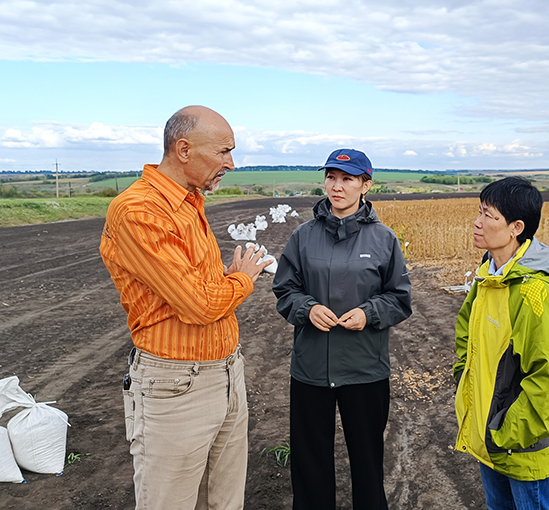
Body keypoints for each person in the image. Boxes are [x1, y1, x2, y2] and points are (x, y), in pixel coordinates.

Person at [99, 105, 272, 510]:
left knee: (226, 501)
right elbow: (199, 304)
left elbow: (196, 286)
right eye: (224, 151)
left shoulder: (190, 203)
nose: (231, 163)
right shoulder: (140, 210)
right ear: (183, 149)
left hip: (227, 372)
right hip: (177, 386)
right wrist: (242, 279)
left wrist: (224, 278)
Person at [272, 148, 412, 510]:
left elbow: (399, 298)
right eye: (331, 177)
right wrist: (307, 307)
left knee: (367, 463)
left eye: (347, 179)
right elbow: (285, 289)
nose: (337, 186)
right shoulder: (303, 237)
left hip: (364, 369)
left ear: (366, 185)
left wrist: (369, 313)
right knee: (310, 463)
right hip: (311, 369)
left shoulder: (384, 240)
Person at [453, 176, 549, 510]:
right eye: (479, 212)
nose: (477, 223)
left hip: (521, 447)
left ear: (515, 227)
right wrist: (466, 386)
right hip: (492, 437)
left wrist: (504, 432)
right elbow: (467, 337)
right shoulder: (489, 276)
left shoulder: (534, 293)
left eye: (488, 216)